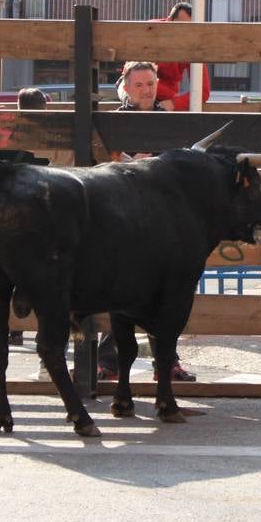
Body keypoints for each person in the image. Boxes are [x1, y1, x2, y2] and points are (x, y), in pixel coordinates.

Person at [93, 60, 197, 383]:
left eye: (150, 84)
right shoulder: (115, 122)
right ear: (126, 86)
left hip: (159, 221)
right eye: (139, 85)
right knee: (120, 293)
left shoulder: (166, 121)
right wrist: (130, 162)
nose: (147, 90)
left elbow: (179, 164)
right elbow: (101, 158)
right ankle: (108, 362)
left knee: (163, 295)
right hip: (121, 219)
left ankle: (166, 364)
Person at [0, 86, 53, 378]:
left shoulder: (3, 132)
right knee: (48, 292)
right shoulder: (50, 134)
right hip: (35, 221)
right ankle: (47, 363)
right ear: (45, 107)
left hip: (2, 221)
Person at [155, 2, 210, 111]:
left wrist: (174, 103)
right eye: (182, 26)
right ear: (169, 20)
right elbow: (133, 75)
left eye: (191, 28)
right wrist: (173, 97)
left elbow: (203, 91)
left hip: (168, 95)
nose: (186, 32)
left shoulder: (190, 43)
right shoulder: (148, 32)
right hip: (139, 88)